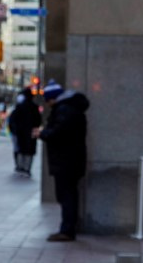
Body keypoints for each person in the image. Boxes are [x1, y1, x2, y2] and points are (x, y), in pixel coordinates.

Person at [34, 80, 90, 242]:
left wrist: (42, 134)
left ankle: (67, 230)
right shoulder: (69, 109)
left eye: (48, 99)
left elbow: (58, 133)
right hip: (70, 160)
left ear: (53, 98)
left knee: (66, 195)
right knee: (67, 194)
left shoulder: (65, 110)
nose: (47, 103)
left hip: (66, 161)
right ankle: (67, 227)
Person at [7, 88, 42, 176]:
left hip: (21, 133)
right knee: (28, 151)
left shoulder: (20, 106)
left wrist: (15, 130)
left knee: (21, 150)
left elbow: (13, 119)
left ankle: (21, 167)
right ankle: (26, 168)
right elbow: (38, 120)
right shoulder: (34, 107)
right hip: (29, 133)